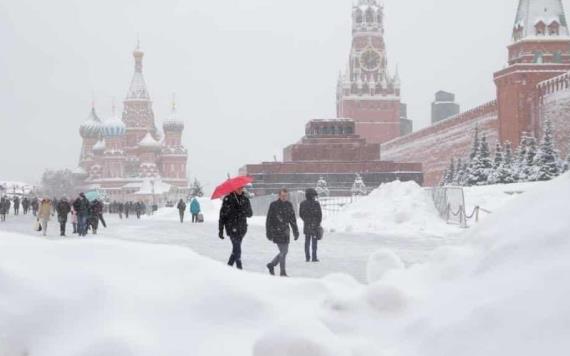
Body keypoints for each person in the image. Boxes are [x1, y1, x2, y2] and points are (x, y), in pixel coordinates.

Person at [266, 188, 299, 277]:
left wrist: (295, 231)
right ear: (279, 196)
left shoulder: (289, 205)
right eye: (283, 196)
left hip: (286, 231)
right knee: (283, 251)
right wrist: (269, 232)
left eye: (286, 196)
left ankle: (271, 265)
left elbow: (293, 220)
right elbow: (269, 220)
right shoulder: (273, 205)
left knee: (284, 252)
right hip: (277, 231)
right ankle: (282, 272)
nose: (284, 197)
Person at [218, 187, 253, 270]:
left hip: (242, 229)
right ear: (233, 189)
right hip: (231, 228)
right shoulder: (227, 199)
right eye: (238, 188)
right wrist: (221, 230)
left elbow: (250, 214)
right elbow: (222, 216)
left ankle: (228, 267)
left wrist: (242, 210)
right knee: (237, 247)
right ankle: (239, 267)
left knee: (235, 249)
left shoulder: (245, 199)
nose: (240, 190)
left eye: (241, 188)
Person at [299, 188, 323, 262]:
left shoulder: (302, 203)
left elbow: (301, 214)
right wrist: (317, 223)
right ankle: (314, 257)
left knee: (307, 241)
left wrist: (306, 220)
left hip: (307, 225)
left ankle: (307, 257)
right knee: (314, 242)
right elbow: (319, 215)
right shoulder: (316, 204)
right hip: (315, 225)